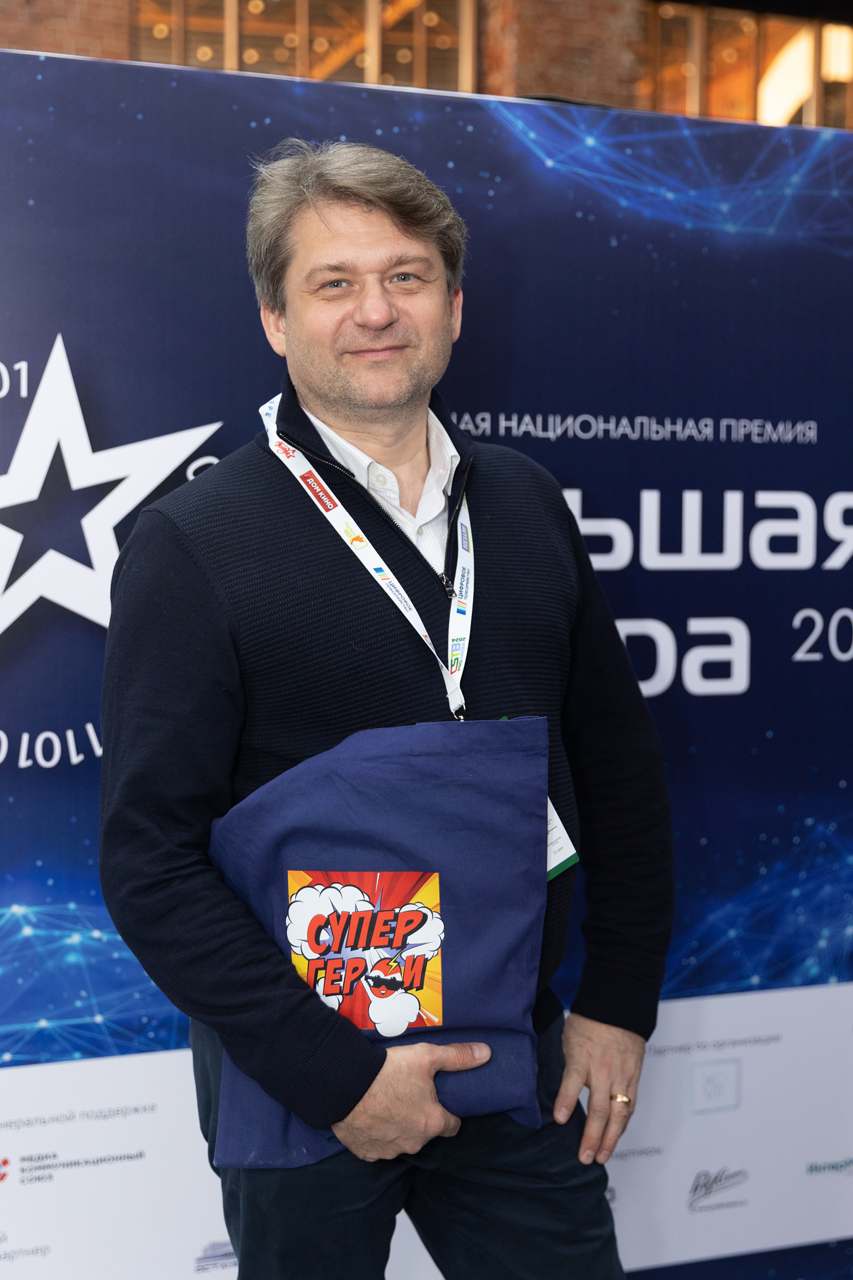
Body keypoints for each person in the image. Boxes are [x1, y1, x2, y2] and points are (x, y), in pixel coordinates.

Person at [99, 139, 673, 1279]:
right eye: (335, 282)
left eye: (407, 276)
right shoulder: (192, 542)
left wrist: (617, 1000)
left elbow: (615, 767)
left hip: (512, 1049)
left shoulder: (526, 506)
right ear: (275, 320)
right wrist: (342, 1078)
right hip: (302, 1074)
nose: (376, 311)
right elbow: (148, 859)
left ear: (453, 307)